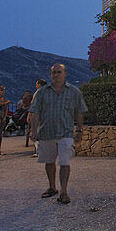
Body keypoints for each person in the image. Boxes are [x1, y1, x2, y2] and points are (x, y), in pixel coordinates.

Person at [28, 63, 88, 204]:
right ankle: (52, 187)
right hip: (47, 132)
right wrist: (34, 130)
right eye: (53, 72)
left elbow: (79, 111)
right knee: (49, 162)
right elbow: (34, 112)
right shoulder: (42, 93)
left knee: (64, 162)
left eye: (59, 72)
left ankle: (64, 191)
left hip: (65, 132)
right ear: (50, 74)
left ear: (65, 73)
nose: (56, 75)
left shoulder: (73, 91)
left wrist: (79, 129)